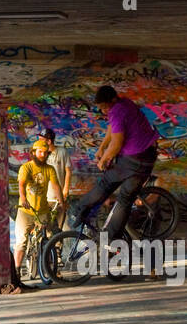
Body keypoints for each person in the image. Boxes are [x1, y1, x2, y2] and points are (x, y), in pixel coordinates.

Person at [67, 84, 158, 243]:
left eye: (103, 107)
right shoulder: (125, 103)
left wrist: (103, 160)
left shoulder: (116, 111)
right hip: (147, 157)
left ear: (112, 100)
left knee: (106, 182)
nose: (103, 111)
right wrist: (102, 148)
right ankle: (109, 238)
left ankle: (79, 209)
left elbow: (116, 144)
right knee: (126, 199)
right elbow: (112, 128)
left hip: (134, 159)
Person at [15, 136, 61, 275]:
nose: (43, 155)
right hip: (26, 210)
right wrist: (23, 198)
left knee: (50, 238)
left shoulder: (50, 169)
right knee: (21, 241)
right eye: (40, 152)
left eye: (45, 152)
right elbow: (22, 184)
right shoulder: (26, 167)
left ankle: (52, 269)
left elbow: (56, 186)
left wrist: (62, 203)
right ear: (33, 153)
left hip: (43, 211)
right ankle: (16, 271)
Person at [40, 128, 71, 211]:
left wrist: (66, 188)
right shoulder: (40, 153)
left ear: (49, 142)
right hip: (44, 195)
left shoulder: (62, 152)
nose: (38, 142)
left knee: (61, 219)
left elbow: (68, 171)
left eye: (41, 140)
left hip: (59, 195)